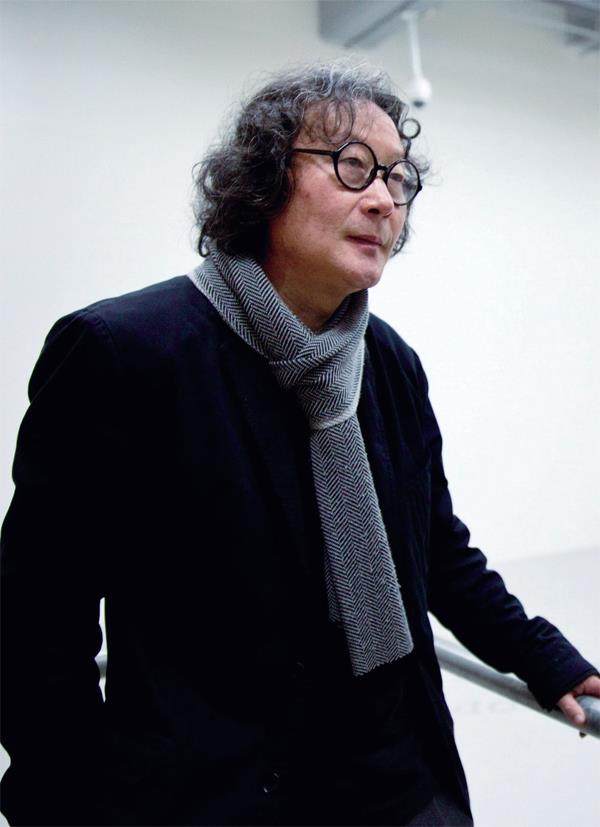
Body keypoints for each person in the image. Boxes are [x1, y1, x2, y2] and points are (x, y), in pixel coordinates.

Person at [1, 60, 598, 827]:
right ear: (264, 178)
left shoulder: (389, 365)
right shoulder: (127, 354)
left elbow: (437, 552)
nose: (383, 199)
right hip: (215, 799)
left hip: (399, 788)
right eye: (353, 166)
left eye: (400, 179)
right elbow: (37, 625)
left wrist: (544, 657)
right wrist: (70, 803)